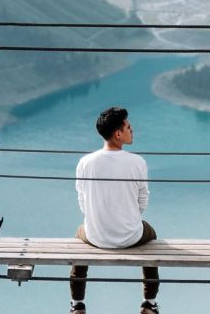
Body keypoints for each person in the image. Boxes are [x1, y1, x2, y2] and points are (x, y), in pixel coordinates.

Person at [70, 107, 159, 314]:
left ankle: (77, 305)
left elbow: (82, 200)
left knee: (78, 236)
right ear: (118, 133)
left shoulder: (85, 162)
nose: (132, 129)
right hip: (131, 236)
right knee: (151, 234)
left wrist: (98, 218)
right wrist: (128, 218)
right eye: (128, 126)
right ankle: (149, 303)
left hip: (95, 237)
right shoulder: (137, 162)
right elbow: (142, 200)